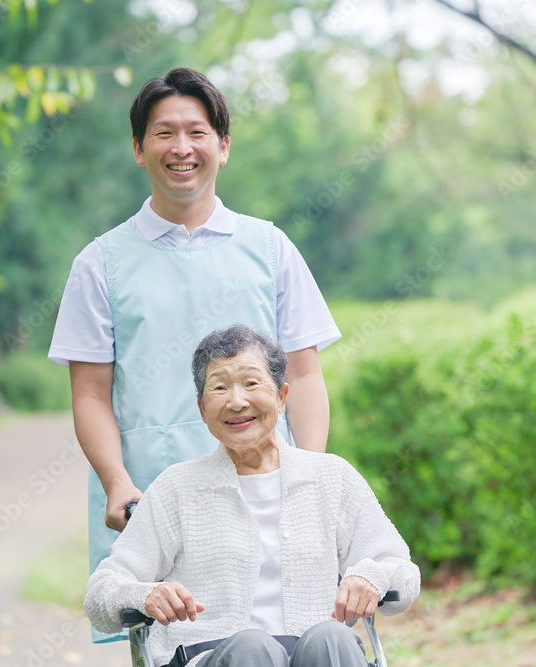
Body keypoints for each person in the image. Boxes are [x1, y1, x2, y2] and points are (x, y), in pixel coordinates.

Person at [48, 68, 341, 642]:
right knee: (174, 644)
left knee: (284, 639)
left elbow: (304, 375)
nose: (181, 148)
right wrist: (116, 483)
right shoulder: (100, 263)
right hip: (152, 506)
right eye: (163, 134)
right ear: (138, 149)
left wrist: (311, 479)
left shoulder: (270, 248)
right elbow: (89, 394)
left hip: (266, 495)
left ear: (223, 146)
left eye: (197, 132)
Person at [84, 325, 421, 666]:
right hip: (214, 655)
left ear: (281, 396)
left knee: (332, 636)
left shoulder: (331, 478)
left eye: (251, 383)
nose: (236, 401)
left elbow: (401, 571)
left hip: (319, 654)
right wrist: (145, 594)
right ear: (202, 410)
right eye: (219, 388)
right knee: (252, 649)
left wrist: (370, 576)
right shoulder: (177, 488)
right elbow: (101, 591)